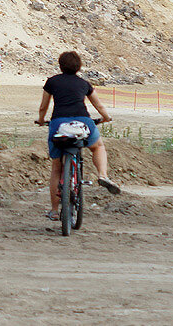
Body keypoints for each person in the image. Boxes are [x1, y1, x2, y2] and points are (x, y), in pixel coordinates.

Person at [37, 50, 121, 221]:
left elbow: (43, 107)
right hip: (83, 122)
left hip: (58, 124)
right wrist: (106, 118)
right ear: (79, 66)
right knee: (98, 147)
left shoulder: (52, 82)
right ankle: (103, 175)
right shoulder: (84, 84)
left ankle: (54, 210)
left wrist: (40, 120)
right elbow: (99, 106)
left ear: (60, 66)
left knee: (56, 168)